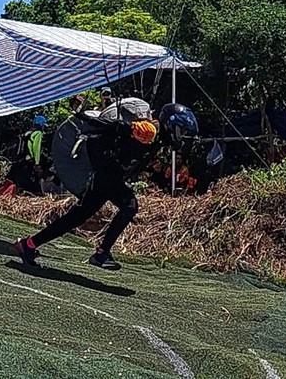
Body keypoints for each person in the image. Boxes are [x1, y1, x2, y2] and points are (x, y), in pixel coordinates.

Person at [14, 101, 196, 272]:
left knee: (76, 217)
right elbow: (116, 127)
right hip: (108, 173)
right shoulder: (149, 130)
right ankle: (102, 254)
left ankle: (28, 245)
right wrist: (84, 117)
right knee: (130, 206)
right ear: (171, 124)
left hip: (106, 174)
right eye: (181, 131)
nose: (181, 137)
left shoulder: (157, 138)